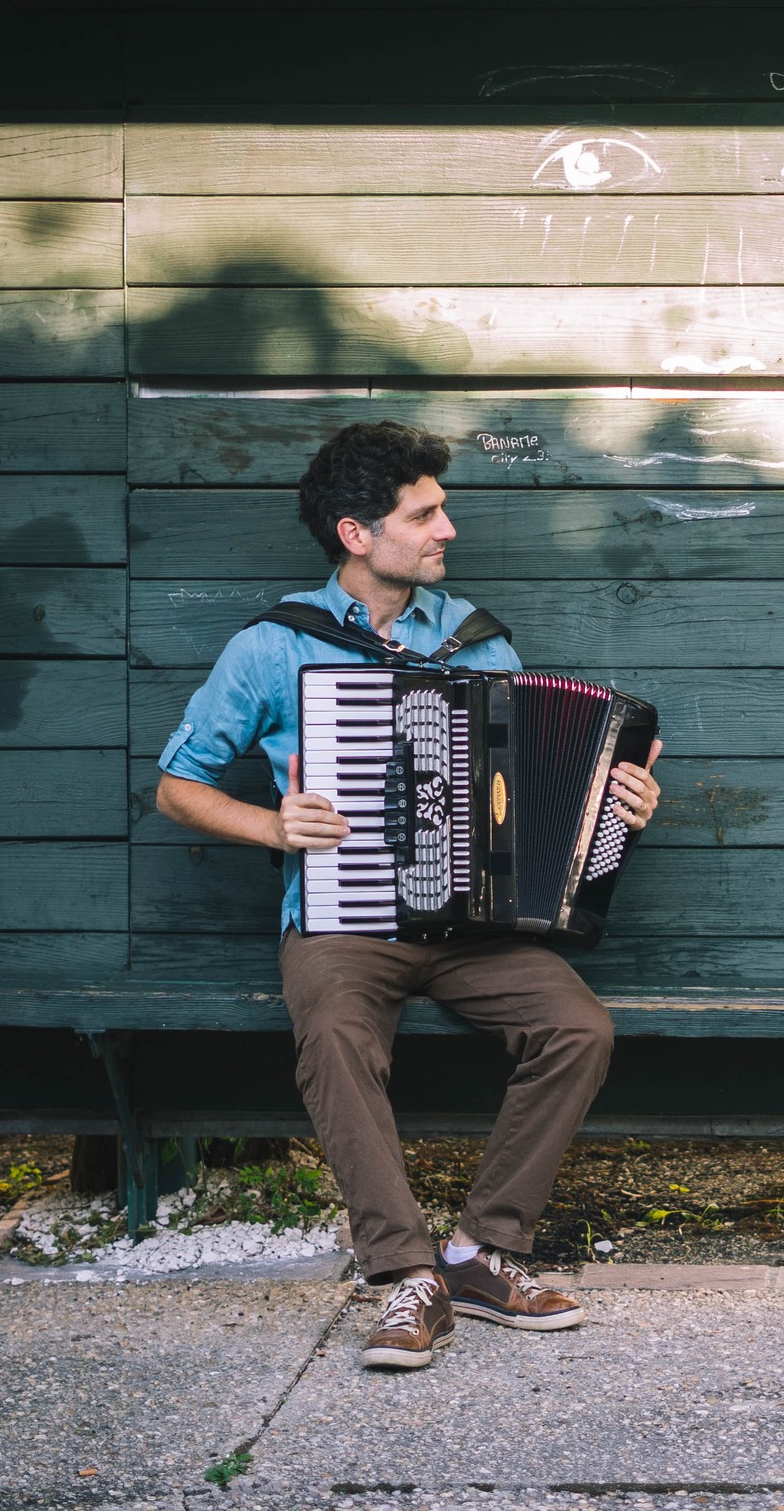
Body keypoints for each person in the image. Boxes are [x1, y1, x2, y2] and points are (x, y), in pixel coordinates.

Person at [155, 420, 661, 1372]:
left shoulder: (477, 642)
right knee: (337, 1038)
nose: (447, 531)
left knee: (579, 1028)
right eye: (424, 514)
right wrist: (273, 827)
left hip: (474, 925)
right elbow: (177, 786)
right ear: (358, 534)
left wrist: (620, 796)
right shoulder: (273, 649)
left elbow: (537, 797)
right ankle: (403, 1275)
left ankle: (478, 1252)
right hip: (343, 921)